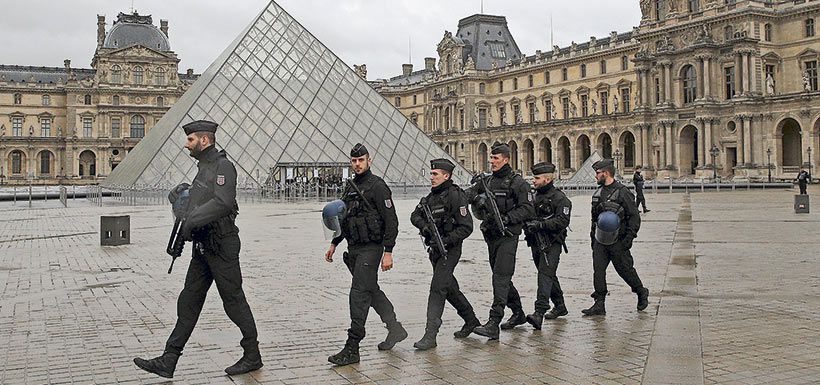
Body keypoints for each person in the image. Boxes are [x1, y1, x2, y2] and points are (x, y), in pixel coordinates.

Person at [134, 120, 262, 378]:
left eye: (191, 139)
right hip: (203, 246)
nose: (186, 144)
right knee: (188, 301)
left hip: (222, 245)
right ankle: (169, 359)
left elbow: (224, 202)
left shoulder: (223, 166)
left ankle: (252, 355)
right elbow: (203, 198)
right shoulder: (204, 168)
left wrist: (192, 220)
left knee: (233, 301)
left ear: (205, 140)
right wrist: (184, 195)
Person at [324, 143, 406, 366]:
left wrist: (388, 251)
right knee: (371, 290)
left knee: (358, 293)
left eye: (361, 160)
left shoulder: (378, 186)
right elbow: (344, 218)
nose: (357, 164)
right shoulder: (349, 187)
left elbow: (392, 221)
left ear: (369, 160)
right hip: (355, 247)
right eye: (354, 161)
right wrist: (334, 243)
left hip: (372, 247)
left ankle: (353, 348)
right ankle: (395, 329)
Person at [409, 158, 481, 349]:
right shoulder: (430, 198)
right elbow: (414, 216)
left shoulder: (456, 196)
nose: (431, 177)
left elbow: (466, 227)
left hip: (450, 250)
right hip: (434, 250)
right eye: (431, 174)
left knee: (437, 288)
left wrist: (447, 240)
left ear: (446, 176)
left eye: (435, 174)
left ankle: (430, 335)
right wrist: (425, 228)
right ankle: (471, 320)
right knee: (449, 288)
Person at [465, 142, 535, 339]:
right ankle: (519, 313)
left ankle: (493, 323)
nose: (492, 161)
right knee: (502, 276)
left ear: (506, 159)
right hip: (491, 235)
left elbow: (528, 209)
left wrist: (507, 218)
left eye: (495, 158)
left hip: (508, 236)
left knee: (500, 278)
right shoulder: (486, 182)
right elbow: (467, 194)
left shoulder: (518, 183)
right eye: (491, 157)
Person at [582, 159, 649, 316]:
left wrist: (629, 238)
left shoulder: (622, 192)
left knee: (624, 270)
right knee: (598, 271)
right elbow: (594, 219)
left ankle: (641, 291)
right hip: (600, 240)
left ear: (606, 173)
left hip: (619, 240)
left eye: (598, 173)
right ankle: (599, 303)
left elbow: (634, 216)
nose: (595, 176)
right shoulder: (598, 193)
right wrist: (593, 239)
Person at [522, 162, 572, 329]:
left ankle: (539, 312)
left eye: (536, 178)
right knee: (548, 274)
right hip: (535, 241)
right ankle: (560, 306)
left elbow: (563, 220)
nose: (533, 180)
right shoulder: (533, 196)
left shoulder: (560, 198)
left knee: (544, 274)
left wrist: (541, 225)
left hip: (552, 242)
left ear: (547, 179)